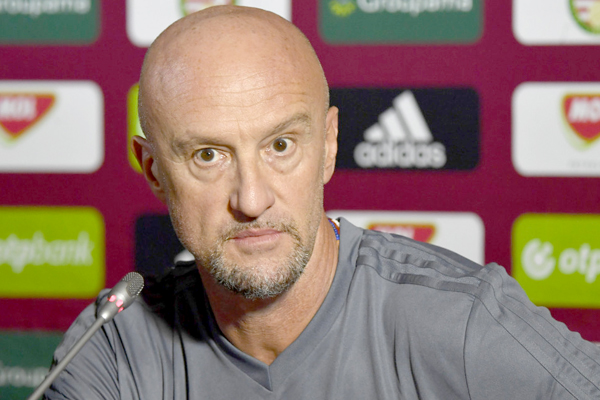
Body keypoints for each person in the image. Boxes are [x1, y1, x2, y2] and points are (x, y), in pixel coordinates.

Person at [44, 5, 600, 400]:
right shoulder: (111, 349)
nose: (252, 199)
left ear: (329, 146)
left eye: (281, 146)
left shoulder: (462, 324)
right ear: (153, 170)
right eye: (209, 155)